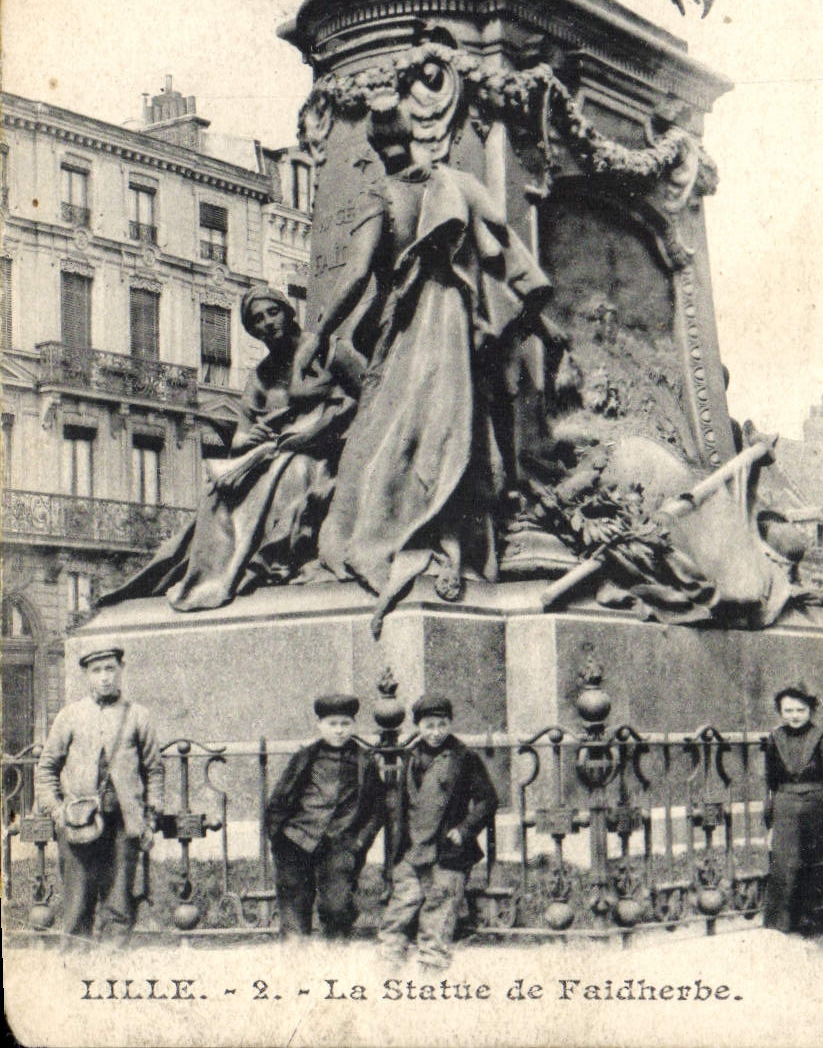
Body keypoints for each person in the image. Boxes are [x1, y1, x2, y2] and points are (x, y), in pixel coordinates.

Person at [298, 94, 568, 632]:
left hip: (428, 328)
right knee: (439, 429)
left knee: (417, 431)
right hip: (448, 324)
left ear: (382, 147)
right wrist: (540, 320)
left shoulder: (387, 193)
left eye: (389, 145)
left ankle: (434, 534)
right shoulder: (456, 186)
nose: (392, 152)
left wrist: (319, 335)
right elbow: (510, 254)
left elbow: (355, 277)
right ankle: (445, 536)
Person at [101, 286, 358, 610]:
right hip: (272, 452)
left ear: (288, 311)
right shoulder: (261, 376)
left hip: (324, 452)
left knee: (290, 471)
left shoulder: (330, 349)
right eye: (257, 320)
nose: (267, 322)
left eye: (272, 312)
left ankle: (260, 564)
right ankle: (206, 575)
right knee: (216, 494)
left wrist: (322, 428)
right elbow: (241, 432)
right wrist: (249, 439)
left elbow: (372, 394)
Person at [35, 645, 163, 946]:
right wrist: (58, 812)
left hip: (123, 823)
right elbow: (46, 770)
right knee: (77, 905)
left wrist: (150, 818)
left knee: (119, 903)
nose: (105, 677)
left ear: (120, 670)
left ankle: (112, 969)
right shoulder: (70, 716)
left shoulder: (138, 716)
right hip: (79, 825)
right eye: (97, 671)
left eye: (110, 669)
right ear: (86, 676)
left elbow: (154, 771)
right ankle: (75, 976)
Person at [378, 693, 498, 971]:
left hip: (447, 855)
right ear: (418, 726)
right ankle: (385, 975)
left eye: (442, 725)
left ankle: (432, 976)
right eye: (429, 726)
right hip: (413, 853)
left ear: (450, 724)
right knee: (397, 916)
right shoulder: (410, 757)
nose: (435, 732)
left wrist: (465, 830)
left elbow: (488, 799)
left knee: (437, 918)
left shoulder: (464, 758)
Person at [265, 693, 385, 940]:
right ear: (320, 725)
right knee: (295, 908)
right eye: (332, 724)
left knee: (337, 907)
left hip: (340, 845)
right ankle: (296, 966)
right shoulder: (305, 756)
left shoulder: (365, 761)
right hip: (297, 840)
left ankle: (335, 963)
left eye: (345, 724)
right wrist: (278, 838)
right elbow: (279, 799)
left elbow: (378, 809)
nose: (339, 731)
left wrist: (359, 842)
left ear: (353, 725)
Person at [762, 681, 823, 939]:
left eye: (800, 710)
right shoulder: (774, 739)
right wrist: (770, 826)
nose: (794, 716)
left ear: (811, 710)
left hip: (818, 815)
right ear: (780, 711)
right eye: (788, 710)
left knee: (819, 877)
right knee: (788, 879)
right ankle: (797, 939)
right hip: (786, 814)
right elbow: (770, 784)